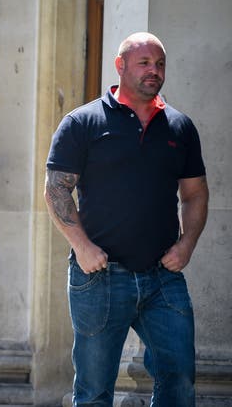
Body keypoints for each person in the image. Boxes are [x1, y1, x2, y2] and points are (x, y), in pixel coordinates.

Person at [44, 32, 209, 406]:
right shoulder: (83, 122)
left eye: (160, 64)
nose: (155, 71)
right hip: (100, 277)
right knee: (94, 391)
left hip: (163, 278)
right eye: (145, 63)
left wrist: (187, 245)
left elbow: (196, 193)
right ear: (120, 66)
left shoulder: (180, 127)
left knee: (180, 379)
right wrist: (82, 248)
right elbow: (56, 189)